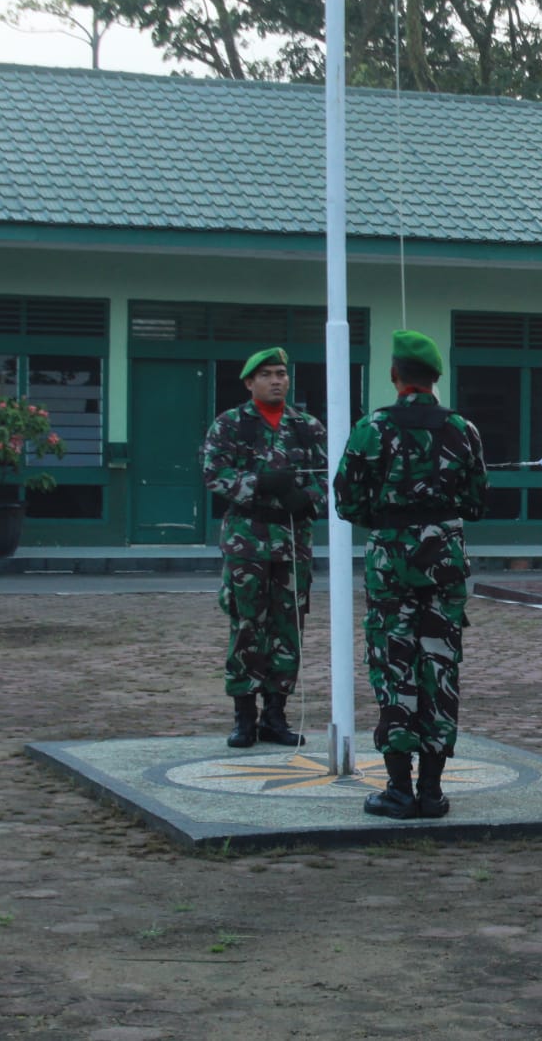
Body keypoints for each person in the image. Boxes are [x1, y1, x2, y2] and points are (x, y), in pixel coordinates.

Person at [334, 330, 488, 820]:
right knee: (439, 666)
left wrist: (390, 519)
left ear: (395, 375)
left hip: (390, 565)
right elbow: (476, 502)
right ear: (436, 378)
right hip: (444, 561)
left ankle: (399, 788)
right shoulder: (463, 429)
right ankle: (434, 791)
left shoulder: (372, 429)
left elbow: (346, 500)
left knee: (393, 664)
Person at [201, 347, 328, 749]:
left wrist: (304, 497)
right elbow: (214, 475)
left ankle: (276, 715)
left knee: (288, 630)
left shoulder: (307, 427)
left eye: (282, 374)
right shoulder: (230, 425)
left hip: (292, 543)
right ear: (250, 382)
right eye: (268, 375)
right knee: (246, 627)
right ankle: (244, 717)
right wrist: (260, 483)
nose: (277, 381)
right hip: (248, 541)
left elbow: (328, 478)